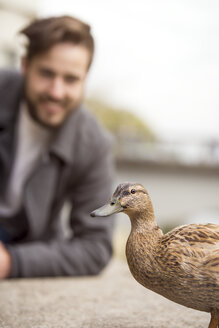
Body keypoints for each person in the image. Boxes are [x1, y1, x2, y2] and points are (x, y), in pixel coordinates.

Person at [0, 15, 115, 278]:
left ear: (85, 79)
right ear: (25, 65)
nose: (56, 91)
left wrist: (10, 262)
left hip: (27, 246)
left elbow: (95, 246)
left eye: (71, 79)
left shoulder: (93, 143)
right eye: (47, 73)